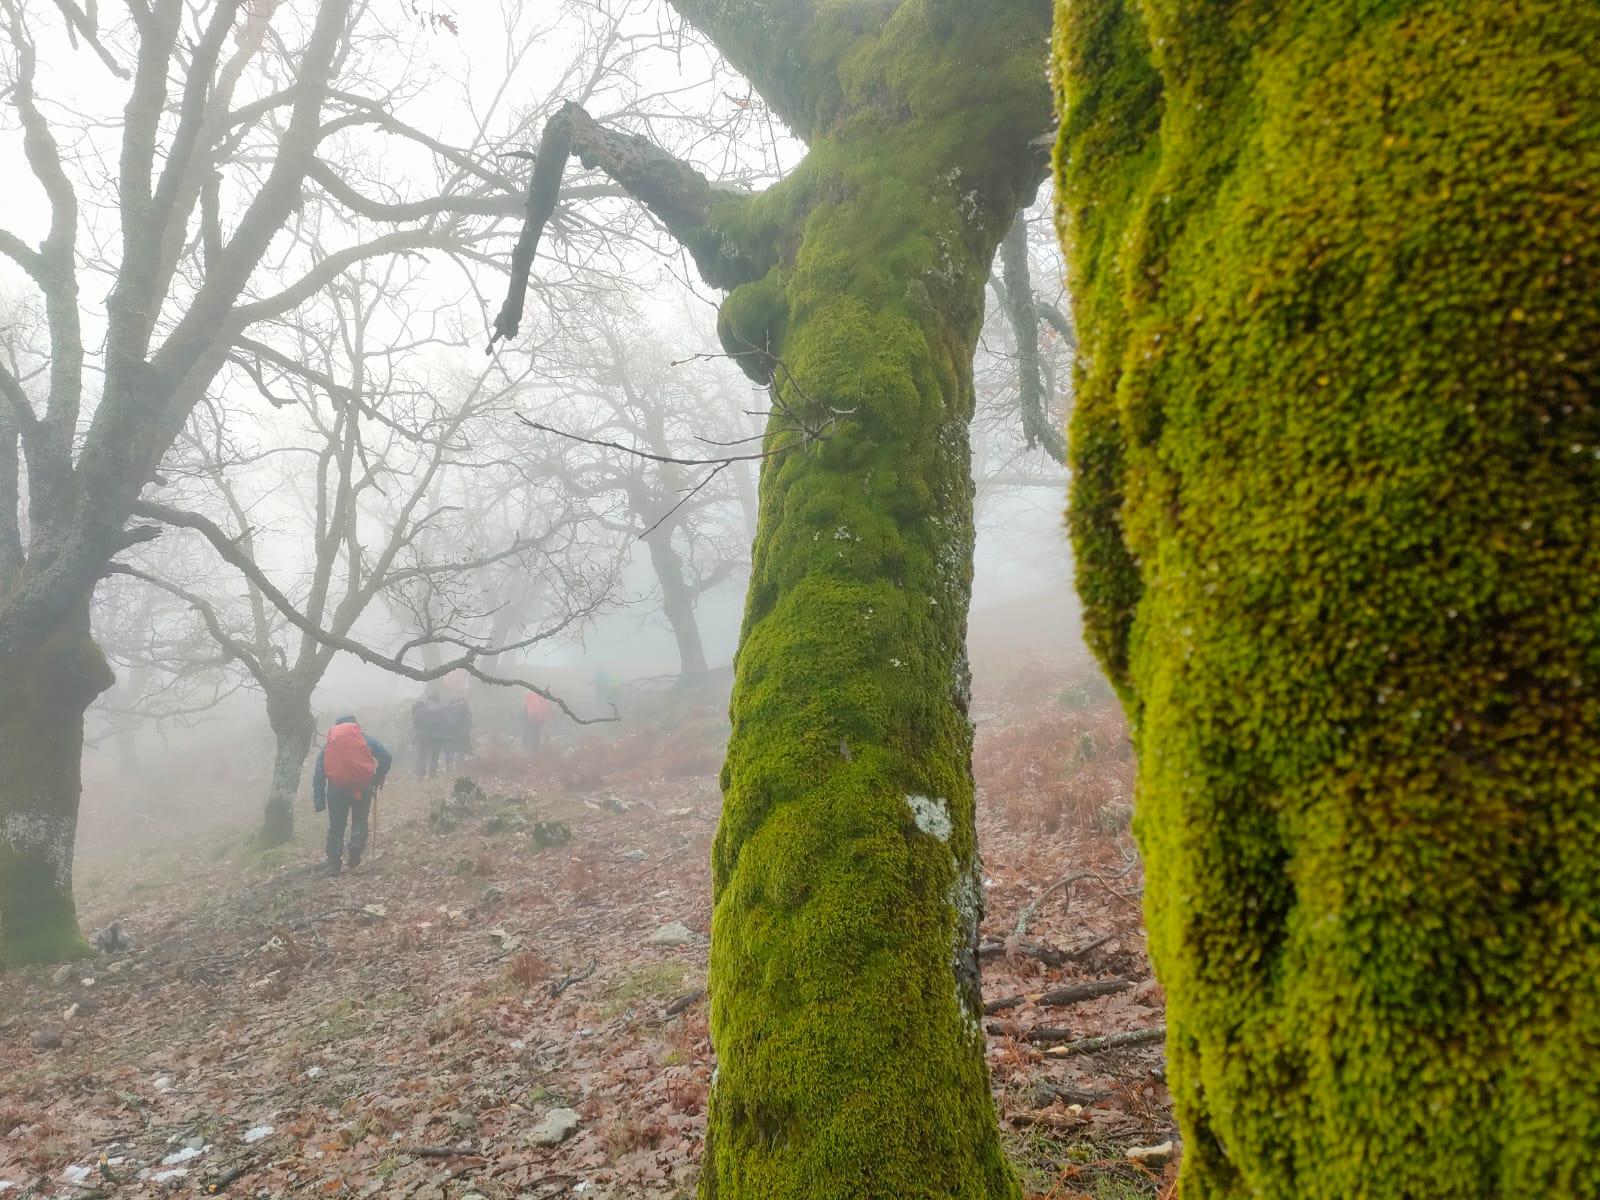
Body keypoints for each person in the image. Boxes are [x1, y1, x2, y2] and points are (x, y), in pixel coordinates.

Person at [312, 714, 392, 876]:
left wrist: (319, 800)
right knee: (360, 820)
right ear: (356, 725)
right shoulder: (366, 740)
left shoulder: (330, 744)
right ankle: (356, 845)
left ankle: (334, 864)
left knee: (336, 827)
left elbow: (319, 772)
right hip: (362, 788)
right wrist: (377, 777)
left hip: (336, 791)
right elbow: (387, 757)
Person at [411, 693, 447, 778]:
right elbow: (445, 724)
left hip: (423, 737)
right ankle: (432, 775)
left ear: (428, 701)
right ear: (438, 701)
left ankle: (420, 776)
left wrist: (420, 731)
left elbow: (415, 722)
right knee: (434, 757)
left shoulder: (421, 710)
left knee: (422, 756)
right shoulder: (441, 711)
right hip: (437, 738)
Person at [443, 697, 473, 770]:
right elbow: (469, 722)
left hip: (450, 734)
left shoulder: (449, 709)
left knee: (449, 751)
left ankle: (448, 766)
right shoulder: (465, 709)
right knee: (461, 751)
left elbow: (445, 721)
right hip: (462, 734)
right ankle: (458, 767)